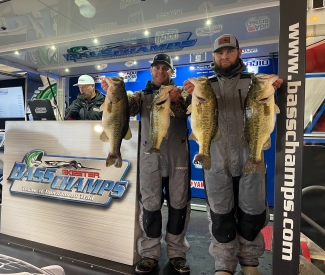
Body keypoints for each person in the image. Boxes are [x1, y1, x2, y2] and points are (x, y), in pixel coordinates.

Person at [183, 34, 283, 275]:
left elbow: (268, 114)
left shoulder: (254, 82)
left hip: (251, 158)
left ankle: (249, 262)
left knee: (253, 212)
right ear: (213, 56)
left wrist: (275, 88)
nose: (224, 56)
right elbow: (193, 117)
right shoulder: (203, 85)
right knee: (220, 215)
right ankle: (224, 265)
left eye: (229, 51)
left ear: (239, 52)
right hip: (216, 162)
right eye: (219, 52)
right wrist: (188, 94)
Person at [101, 54, 191, 274]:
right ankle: (150, 253)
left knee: (179, 206)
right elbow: (125, 111)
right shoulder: (140, 96)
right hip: (150, 158)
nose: (161, 71)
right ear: (151, 70)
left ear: (172, 71)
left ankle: (177, 253)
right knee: (150, 207)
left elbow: (184, 111)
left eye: (165, 68)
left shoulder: (182, 93)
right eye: (157, 68)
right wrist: (110, 93)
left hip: (177, 158)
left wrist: (177, 99)